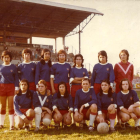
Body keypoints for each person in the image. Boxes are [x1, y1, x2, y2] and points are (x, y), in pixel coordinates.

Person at [114, 49, 134, 128]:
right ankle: (118, 121)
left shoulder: (131, 65)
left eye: (124, 55)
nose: (123, 56)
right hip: (119, 88)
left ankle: (125, 122)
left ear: (127, 56)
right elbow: (115, 77)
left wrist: (127, 85)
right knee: (119, 104)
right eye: (121, 55)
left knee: (128, 104)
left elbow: (131, 77)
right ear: (120, 56)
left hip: (128, 88)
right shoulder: (117, 65)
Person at [0, 51, 19, 130]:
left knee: (11, 106)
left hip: (11, 87)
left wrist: (16, 88)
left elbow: (16, 78)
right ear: (2, 58)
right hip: (2, 87)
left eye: (8, 57)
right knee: (2, 106)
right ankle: (1, 124)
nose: (6, 59)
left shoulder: (13, 67)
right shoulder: (0, 66)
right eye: (5, 57)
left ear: (10, 58)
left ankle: (12, 125)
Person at [70, 54, 88, 128]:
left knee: (83, 103)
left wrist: (76, 78)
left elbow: (86, 79)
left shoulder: (84, 70)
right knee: (75, 103)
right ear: (74, 60)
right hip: (74, 88)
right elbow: (71, 80)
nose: (78, 61)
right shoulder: (72, 69)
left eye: (80, 59)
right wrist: (81, 79)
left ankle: (83, 121)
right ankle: (74, 122)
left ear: (82, 60)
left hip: (83, 89)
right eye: (77, 59)